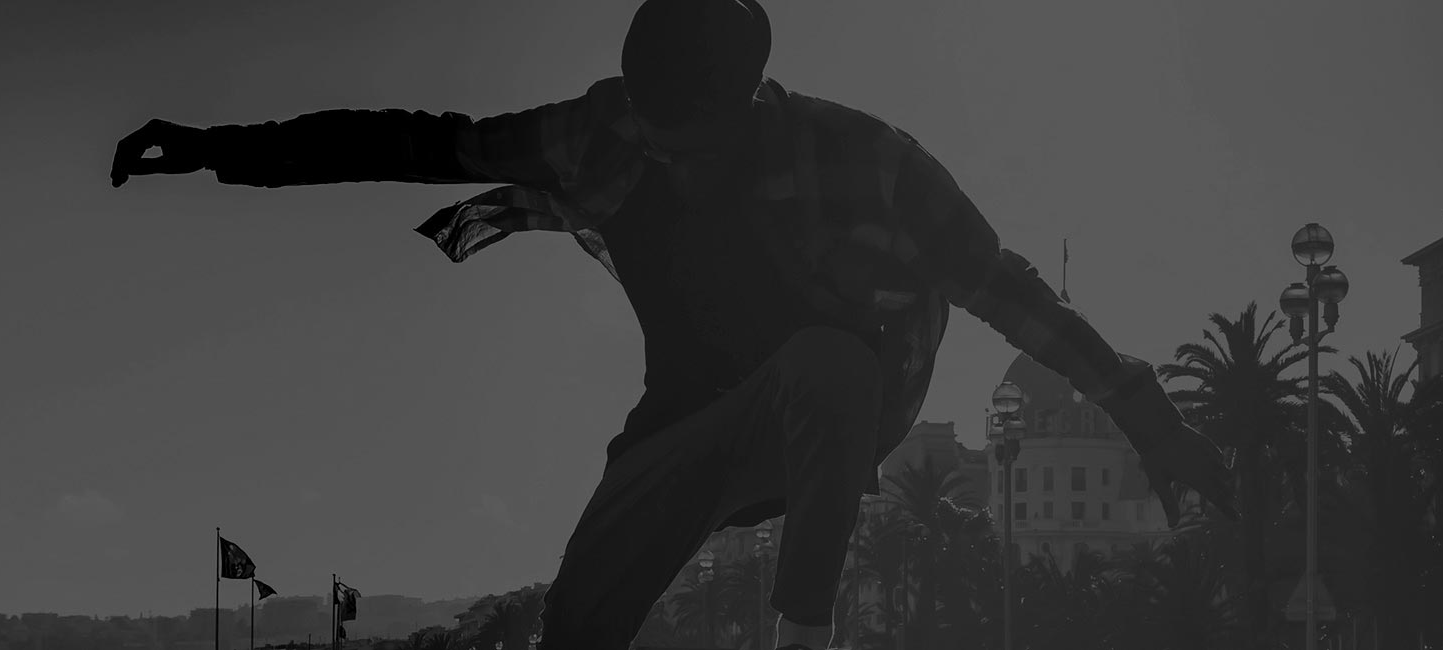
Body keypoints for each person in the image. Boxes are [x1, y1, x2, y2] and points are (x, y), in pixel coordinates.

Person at [110, 2, 1240, 649]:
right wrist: (220, 150)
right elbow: (410, 141)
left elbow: (1009, 289)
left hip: (833, 411)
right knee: (576, 627)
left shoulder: (865, 160)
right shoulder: (596, 134)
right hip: (688, 425)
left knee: (827, 363)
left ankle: (803, 636)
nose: (668, 164)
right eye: (651, 138)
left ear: (747, 105)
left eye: (689, 145)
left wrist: (1150, 417)